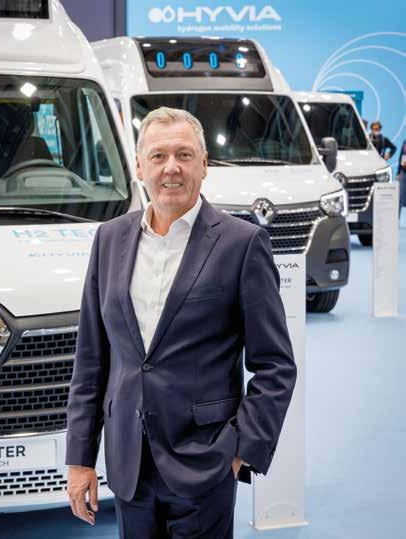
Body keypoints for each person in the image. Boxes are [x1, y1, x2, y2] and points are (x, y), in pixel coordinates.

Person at [65, 107, 297, 538]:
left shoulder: (242, 243)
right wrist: (80, 459)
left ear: (204, 164)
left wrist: (242, 449)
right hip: (128, 462)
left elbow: (276, 364)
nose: (171, 167)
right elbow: (91, 360)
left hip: (206, 463)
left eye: (184, 155)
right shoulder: (109, 239)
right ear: (139, 167)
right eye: (158, 156)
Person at [397, 139, 406, 220]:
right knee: (400, 197)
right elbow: (401, 157)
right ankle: (397, 220)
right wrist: (398, 172)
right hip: (403, 171)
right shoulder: (405, 142)